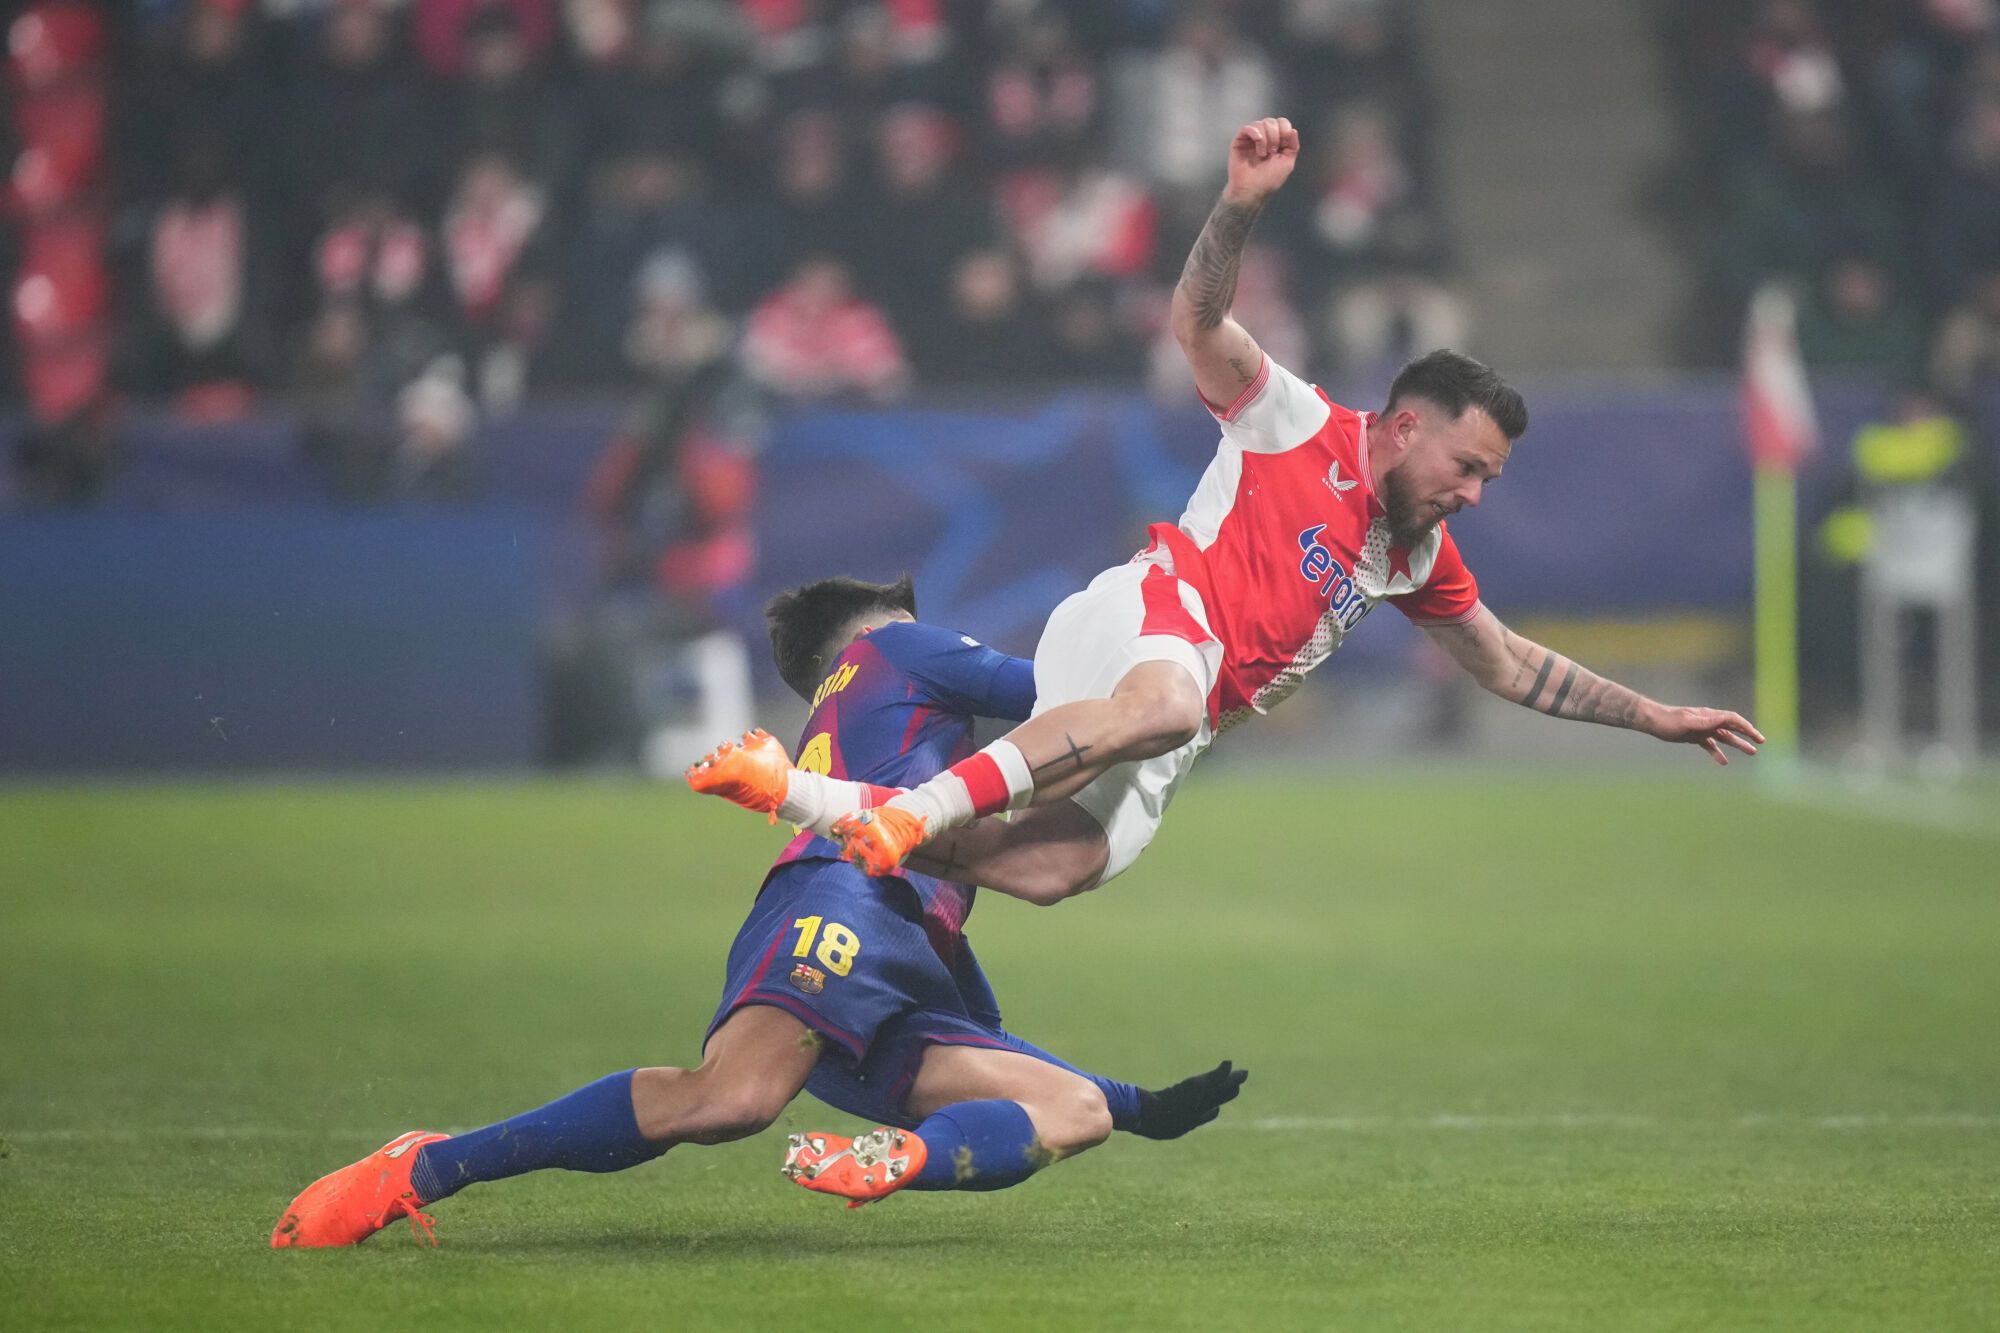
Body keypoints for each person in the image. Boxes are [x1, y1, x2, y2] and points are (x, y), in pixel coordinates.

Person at [692, 118, 1764, 907]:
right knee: (1162, 704)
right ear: (1403, 427)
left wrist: (1655, 717)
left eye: (1489, 480)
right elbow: (1197, 322)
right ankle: (917, 809)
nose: (1473, 495)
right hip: (1145, 624)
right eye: (1467, 465)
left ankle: (803, 798)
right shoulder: (1293, 420)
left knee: (1049, 868)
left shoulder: (1415, 551)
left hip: (1177, 721)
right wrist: (1240, 206)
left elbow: (1510, 665)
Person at [272, 575, 1245, 1248]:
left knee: (1074, 1109)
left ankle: (892, 1158)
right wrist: (1187, 682)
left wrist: (1140, 1106)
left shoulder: (845, 711)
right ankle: (426, 1167)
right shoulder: (895, 646)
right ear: (879, 623)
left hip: (901, 936)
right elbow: (1066, 699)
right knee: (730, 1099)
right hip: (850, 895)